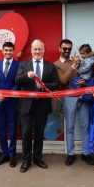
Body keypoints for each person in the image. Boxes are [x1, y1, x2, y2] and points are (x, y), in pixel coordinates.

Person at [15, 39, 60, 173]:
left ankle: (38, 159)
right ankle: (26, 160)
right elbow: (17, 80)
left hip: (42, 104)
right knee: (27, 133)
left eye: (40, 49)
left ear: (44, 50)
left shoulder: (50, 66)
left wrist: (44, 87)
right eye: (35, 49)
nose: (37, 51)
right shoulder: (23, 64)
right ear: (31, 50)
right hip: (26, 105)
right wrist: (26, 75)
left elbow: (56, 84)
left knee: (40, 133)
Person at [54, 39, 94, 166]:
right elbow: (64, 80)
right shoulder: (56, 64)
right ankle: (70, 154)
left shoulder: (79, 61)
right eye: (64, 48)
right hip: (69, 98)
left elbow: (89, 76)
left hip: (83, 97)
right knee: (70, 127)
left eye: (69, 48)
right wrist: (73, 66)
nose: (67, 51)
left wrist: (86, 83)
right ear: (60, 49)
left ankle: (85, 153)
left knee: (85, 126)